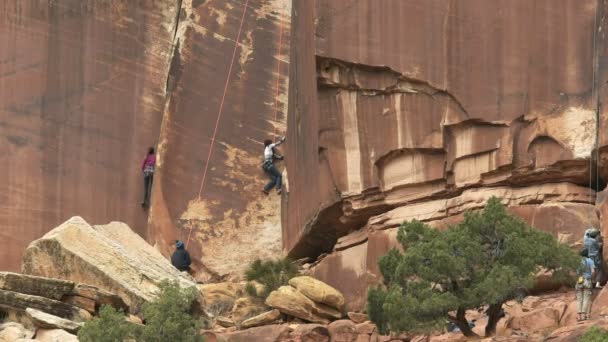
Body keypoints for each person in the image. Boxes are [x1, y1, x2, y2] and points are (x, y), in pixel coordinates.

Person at [576, 247, 595, 321]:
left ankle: (578, 317)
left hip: (579, 281)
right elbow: (593, 271)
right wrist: (592, 279)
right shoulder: (590, 261)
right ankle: (584, 316)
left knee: (579, 299)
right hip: (587, 280)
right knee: (586, 298)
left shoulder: (577, 261)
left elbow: (576, 272)